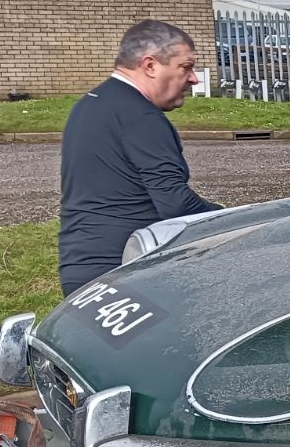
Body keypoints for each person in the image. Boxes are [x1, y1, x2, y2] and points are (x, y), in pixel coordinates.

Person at [58, 20, 220, 294]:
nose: (193, 78)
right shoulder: (140, 115)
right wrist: (235, 219)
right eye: (186, 67)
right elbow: (175, 204)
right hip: (124, 271)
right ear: (150, 65)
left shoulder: (91, 103)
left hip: (80, 265)